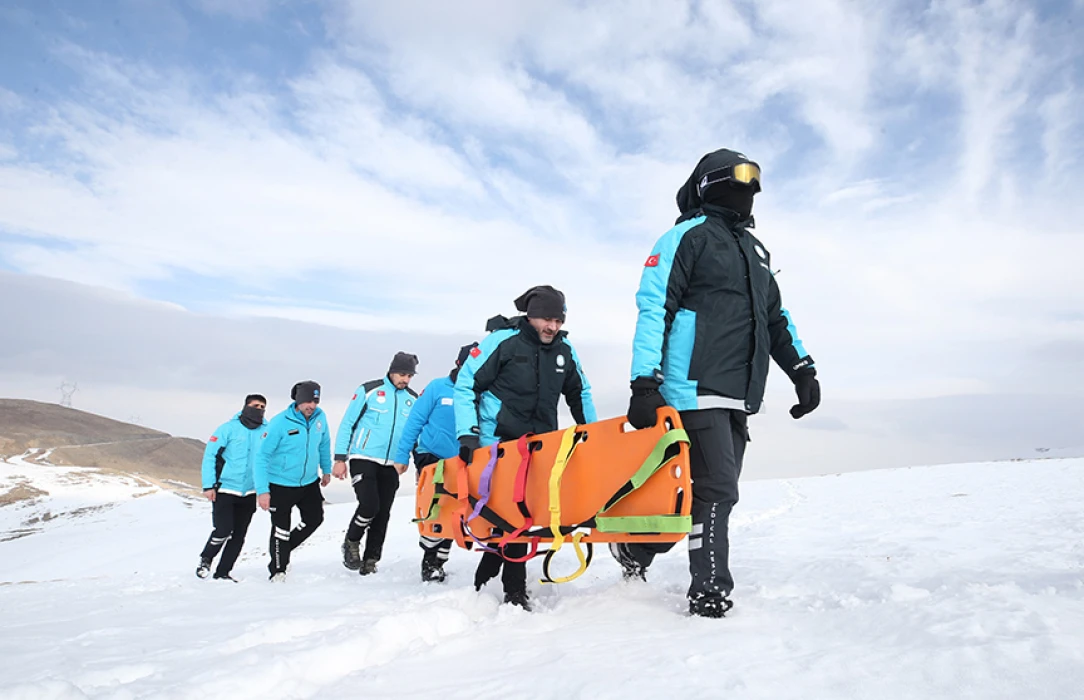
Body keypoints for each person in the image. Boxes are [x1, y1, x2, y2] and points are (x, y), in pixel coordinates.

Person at [615, 148, 821, 618]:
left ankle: (636, 550)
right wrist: (644, 381)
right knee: (719, 491)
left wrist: (802, 370)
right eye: (739, 181)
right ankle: (709, 590)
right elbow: (654, 309)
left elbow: (775, 319)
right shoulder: (683, 238)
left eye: (755, 184)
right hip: (691, 385)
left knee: (697, 495)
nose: (748, 192)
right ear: (710, 184)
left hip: (739, 393)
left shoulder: (755, 251)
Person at [455, 285, 597, 610]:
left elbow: (580, 393)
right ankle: (514, 592)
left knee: (524, 515)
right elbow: (466, 384)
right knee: (512, 517)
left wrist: (591, 434)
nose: (552, 327)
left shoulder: (565, 350)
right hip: (499, 444)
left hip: (542, 445)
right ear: (530, 317)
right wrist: (468, 434)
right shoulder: (502, 342)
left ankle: (484, 580)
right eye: (546, 319)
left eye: (558, 321)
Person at [393, 343, 478, 583]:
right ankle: (430, 560)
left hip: (462, 460)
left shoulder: (480, 392)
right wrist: (401, 457)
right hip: (430, 455)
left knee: (455, 509)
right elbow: (414, 422)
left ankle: (440, 559)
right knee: (436, 507)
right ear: (459, 364)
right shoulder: (438, 388)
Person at [333, 352, 419, 576]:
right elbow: (347, 423)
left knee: (383, 513)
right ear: (391, 371)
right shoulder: (369, 390)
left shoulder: (413, 399)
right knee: (369, 505)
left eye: (410, 376)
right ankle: (351, 541)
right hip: (364, 457)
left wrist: (408, 459)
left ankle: (371, 559)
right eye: (402, 374)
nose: (406, 379)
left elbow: (413, 433)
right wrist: (340, 458)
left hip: (392, 463)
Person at [254, 381, 332, 582]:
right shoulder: (280, 422)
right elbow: (261, 457)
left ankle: (284, 549)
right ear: (297, 400)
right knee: (280, 528)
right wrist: (263, 491)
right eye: (307, 401)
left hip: (308, 483)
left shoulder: (320, 418)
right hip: (280, 485)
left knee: (314, 519)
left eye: (315, 401)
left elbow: (324, 444)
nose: (312, 406)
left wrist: (326, 469)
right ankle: (278, 570)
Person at [196, 393, 268, 581]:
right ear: (245, 406)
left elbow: (270, 459)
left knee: (239, 536)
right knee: (223, 529)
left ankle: (223, 573)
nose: (258, 410)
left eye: (262, 407)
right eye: (255, 406)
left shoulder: (267, 431)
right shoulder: (227, 429)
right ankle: (206, 559)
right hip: (225, 488)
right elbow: (210, 456)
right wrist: (208, 485)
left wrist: (265, 489)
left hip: (250, 491)